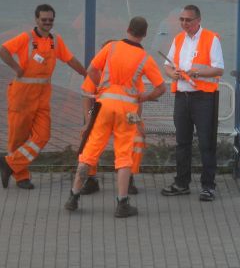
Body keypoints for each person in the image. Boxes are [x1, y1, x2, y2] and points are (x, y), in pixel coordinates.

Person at [65, 17, 166, 217]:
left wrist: (101, 89)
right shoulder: (145, 58)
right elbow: (161, 88)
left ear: (127, 29)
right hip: (127, 110)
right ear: (144, 35)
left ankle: (74, 196)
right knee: (123, 155)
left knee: (90, 152)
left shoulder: (111, 48)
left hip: (103, 106)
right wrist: (144, 97)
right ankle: (122, 203)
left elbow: (92, 73)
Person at [0, 4, 86, 190]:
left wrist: (85, 73)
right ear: (36, 20)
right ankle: (21, 177)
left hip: (42, 97)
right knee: (18, 137)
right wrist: (17, 68)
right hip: (22, 95)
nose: (47, 23)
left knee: (43, 135)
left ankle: (10, 163)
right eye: (44, 19)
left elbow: (70, 59)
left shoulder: (56, 41)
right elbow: (2, 51)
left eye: (50, 20)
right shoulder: (26, 38)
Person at [161, 5, 224, 202]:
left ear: (198, 21)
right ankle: (182, 183)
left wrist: (196, 72)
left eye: (188, 20)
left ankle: (208, 186)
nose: (184, 24)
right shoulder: (178, 39)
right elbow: (167, 66)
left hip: (203, 97)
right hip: (182, 96)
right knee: (182, 142)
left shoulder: (211, 38)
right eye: (181, 20)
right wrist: (174, 73)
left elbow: (218, 69)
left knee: (206, 143)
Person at [79, 40, 145, 196]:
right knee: (86, 137)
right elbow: (87, 97)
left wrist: (136, 121)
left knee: (137, 138)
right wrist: (89, 120)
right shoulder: (96, 71)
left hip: (126, 114)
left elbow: (139, 99)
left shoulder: (131, 71)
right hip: (101, 114)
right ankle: (90, 178)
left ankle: (128, 177)